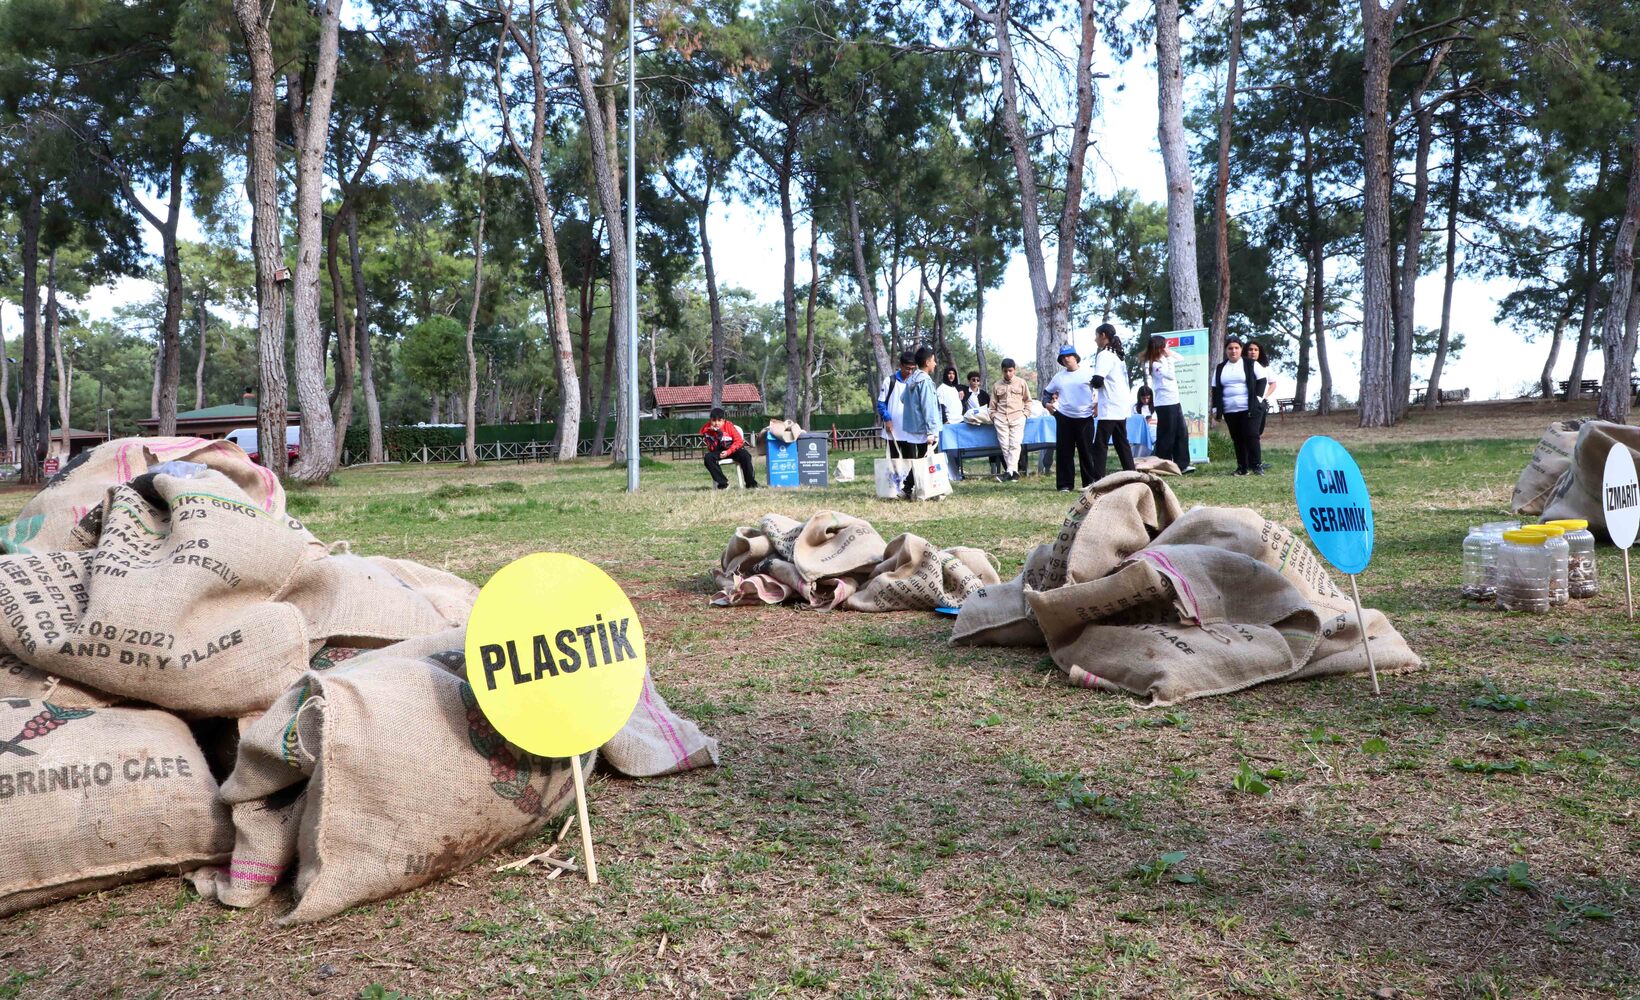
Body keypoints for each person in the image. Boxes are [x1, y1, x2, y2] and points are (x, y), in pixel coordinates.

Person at [1211, 338, 1272, 476]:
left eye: (1236, 348)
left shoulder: (1251, 364)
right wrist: (1216, 409)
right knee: (1237, 438)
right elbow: (1215, 389)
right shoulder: (1220, 368)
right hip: (1230, 410)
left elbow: (1262, 380)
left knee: (1251, 435)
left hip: (1249, 408)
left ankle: (1256, 465)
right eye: (1230, 348)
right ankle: (1242, 468)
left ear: (1241, 349)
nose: (1233, 351)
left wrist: (1257, 399)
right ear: (1226, 350)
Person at [1044, 344, 1098, 492]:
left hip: (1085, 417)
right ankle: (1065, 484)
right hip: (1064, 418)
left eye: (1069, 356)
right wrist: (1046, 404)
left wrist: (1098, 405)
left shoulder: (1089, 373)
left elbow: (1101, 390)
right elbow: (1047, 393)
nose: (1066, 359)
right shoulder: (1059, 377)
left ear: (1075, 357)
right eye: (1063, 357)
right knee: (1064, 452)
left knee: (1086, 451)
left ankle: (1089, 483)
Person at [1087, 323, 1136, 482]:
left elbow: (1098, 380)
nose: (1095, 340)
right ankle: (1133, 476)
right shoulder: (1117, 354)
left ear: (1103, 336)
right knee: (1121, 442)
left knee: (1100, 444)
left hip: (1110, 405)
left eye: (1096, 336)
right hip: (1121, 404)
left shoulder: (1105, 354)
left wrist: (1087, 383)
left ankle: (1098, 480)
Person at [1142, 334, 1195, 473]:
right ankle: (1163, 464)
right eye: (1166, 345)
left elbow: (1181, 358)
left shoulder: (1164, 358)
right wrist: (1169, 358)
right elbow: (1170, 375)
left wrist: (1169, 354)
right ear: (1159, 348)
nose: (1168, 347)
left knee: (1181, 433)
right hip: (1165, 403)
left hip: (1174, 401)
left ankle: (1181, 464)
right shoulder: (1154, 364)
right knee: (1167, 434)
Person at [897, 347, 943, 499]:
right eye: (933, 360)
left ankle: (908, 489)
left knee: (922, 459)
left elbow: (903, 399)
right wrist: (931, 431)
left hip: (913, 427)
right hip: (925, 428)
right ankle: (933, 490)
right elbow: (928, 407)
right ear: (927, 362)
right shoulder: (925, 381)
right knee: (927, 459)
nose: (935, 363)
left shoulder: (911, 379)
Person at [990, 358, 1031, 482]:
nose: (1008, 373)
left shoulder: (1021, 382)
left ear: (1014, 370)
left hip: (1018, 417)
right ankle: (1013, 472)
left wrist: (1025, 414)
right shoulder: (996, 385)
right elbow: (992, 405)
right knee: (1004, 445)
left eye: (1010, 371)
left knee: (1015, 444)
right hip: (1001, 418)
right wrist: (994, 417)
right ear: (1002, 371)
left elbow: (1028, 400)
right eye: (1005, 371)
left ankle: (1009, 471)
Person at [701, 408, 759, 490]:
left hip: (732, 450)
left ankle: (751, 484)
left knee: (745, 455)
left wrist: (728, 451)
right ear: (710, 420)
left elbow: (739, 441)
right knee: (708, 458)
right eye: (714, 420)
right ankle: (723, 484)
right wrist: (716, 434)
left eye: (719, 420)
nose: (716, 423)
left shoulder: (729, 426)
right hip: (718, 451)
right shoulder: (707, 430)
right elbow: (711, 448)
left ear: (723, 420)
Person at [877, 351, 921, 459]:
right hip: (892, 430)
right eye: (907, 368)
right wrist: (887, 419)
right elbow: (881, 403)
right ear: (900, 365)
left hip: (910, 431)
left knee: (910, 462)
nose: (910, 371)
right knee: (893, 463)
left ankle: (911, 477)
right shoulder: (889, 381)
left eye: (912, 368)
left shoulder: (915, 383)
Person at [1244, 341, 1277, 450]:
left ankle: (1255, 458)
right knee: (1247, 431)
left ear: (1259, 352)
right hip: (1244, 403)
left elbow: (1273, 383)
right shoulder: (1241, 366)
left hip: (1259, 404)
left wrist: (1265, 396)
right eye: (1250, 349)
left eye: (1256, 350)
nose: (1253, 352)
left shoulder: (1265, 368)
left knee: (1257, 431)